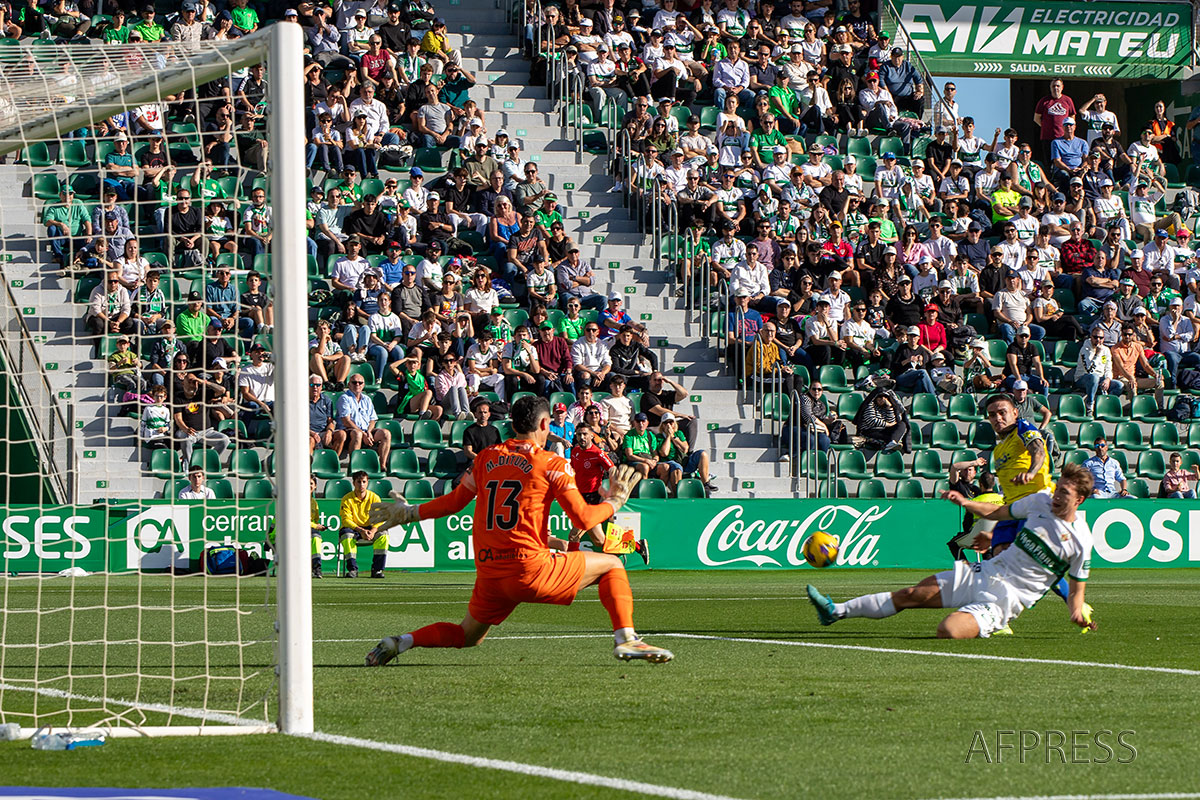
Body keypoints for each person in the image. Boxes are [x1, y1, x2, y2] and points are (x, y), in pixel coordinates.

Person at [363, 396, 672, 665]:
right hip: (531, 569)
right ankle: (626, 638)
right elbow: (582, 518)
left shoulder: (486, 458)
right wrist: (616, 501)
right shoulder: (552, 462)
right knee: (613, 565)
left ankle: (400, 642)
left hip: (491, 573)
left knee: (468, 635)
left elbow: (455, 502)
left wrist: (410, 513)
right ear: (544, 423)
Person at [806, 463, 1097, 638]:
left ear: (1080, 500)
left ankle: (985, 620)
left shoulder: (1081, 541)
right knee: (911, 594)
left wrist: (1075, 613)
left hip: (1006, 600)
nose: (1057, 497)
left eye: (1065, 494)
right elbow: (1000, 511)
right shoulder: (1040, 502)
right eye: (1057, 489)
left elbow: (1076, 589)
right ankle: (836, 611)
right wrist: (966, 503)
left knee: (947, 631)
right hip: (985, 572)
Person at [338, 470, 387, 579]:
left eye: (364, 482)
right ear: (353, 483)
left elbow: (380, 518)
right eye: (359, 482)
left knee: (383, 535)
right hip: (354, 528)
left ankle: (377, 570)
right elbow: (346, 520)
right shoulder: (347, 499)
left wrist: (373, 531)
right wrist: (361, 530)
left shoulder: (375, 498)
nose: (361, 485)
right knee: (346, 535)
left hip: (370, 527)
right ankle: (352, 569)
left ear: (367, 483)